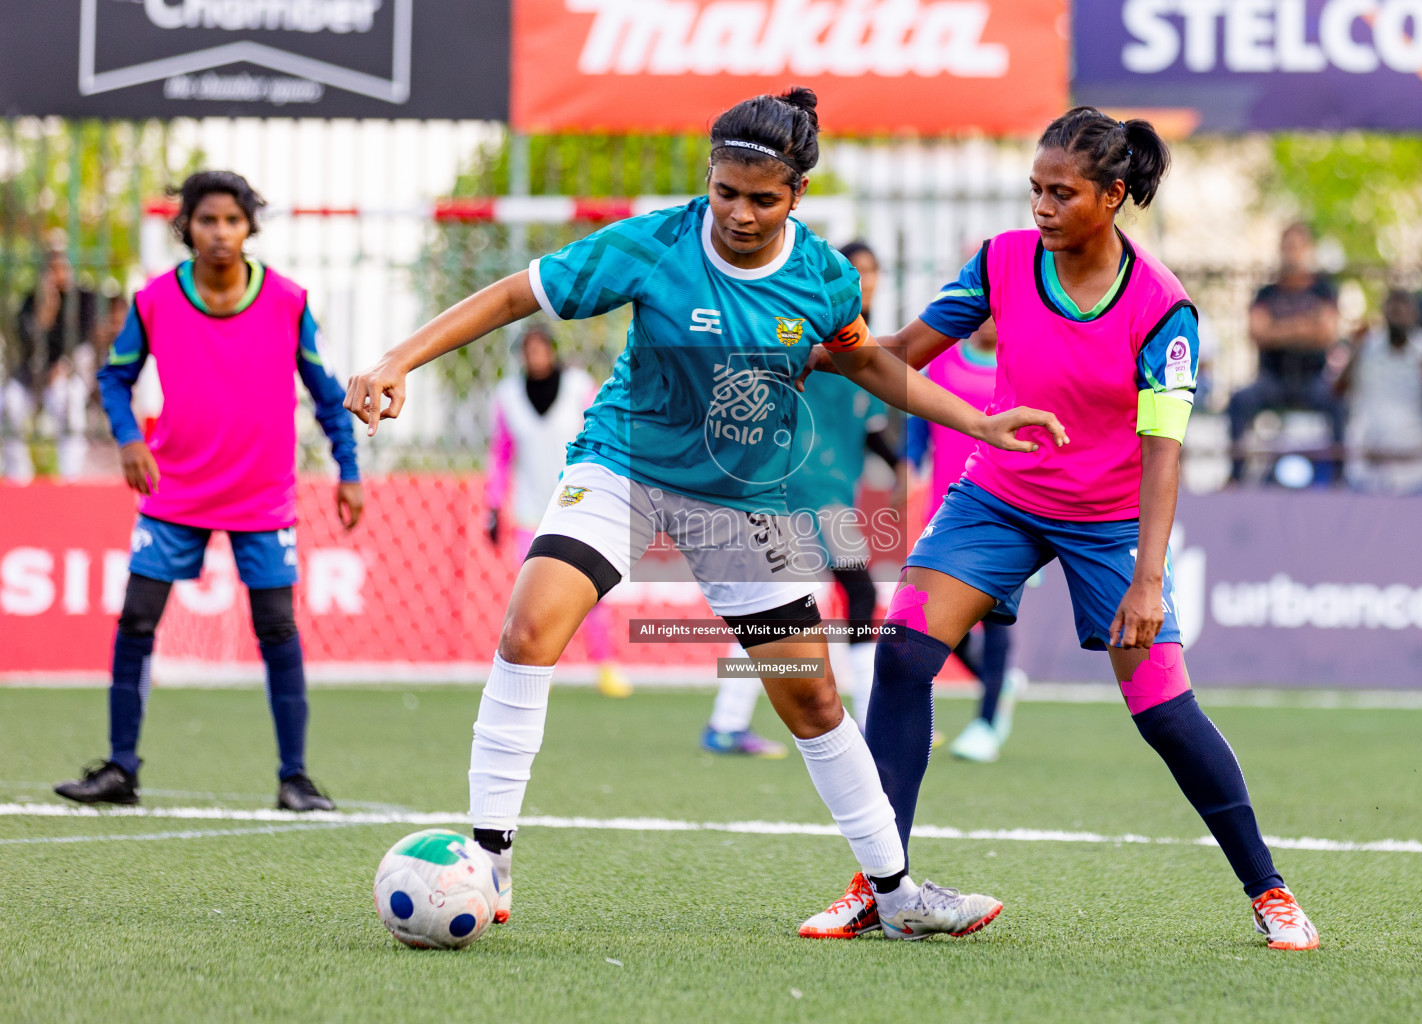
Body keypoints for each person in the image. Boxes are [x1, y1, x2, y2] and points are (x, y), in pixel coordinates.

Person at [344, 87, 1061, 939]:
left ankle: (898, 895)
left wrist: (976, 418)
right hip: (625, 466)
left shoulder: (823, 277)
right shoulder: (655, 243)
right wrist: (397, 360)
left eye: (763, 198)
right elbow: (514, 297)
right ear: (708, 180)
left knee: (815, 704)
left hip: (740, 503)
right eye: (727, 192)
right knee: (529, 630)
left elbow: (866, 363)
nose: (741, 213)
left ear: (797, 194)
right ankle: (489, 860)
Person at [798, 108, 1320, 950]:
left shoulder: (1162, 308)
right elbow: (899, 353)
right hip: (998, 498)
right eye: (1035, 188)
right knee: (901, 656)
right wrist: (821, 350)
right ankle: (878, 885)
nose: (1041, 206)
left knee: (1162, 708)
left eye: (1062, 192)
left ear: (1113, 196)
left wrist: (1148, 578)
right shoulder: (1002, 261)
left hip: (1110, 523)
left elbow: (1163, 450)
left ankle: (1270, 892)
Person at [54, 171, 363, 811]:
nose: (220, 232)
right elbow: (114, 380)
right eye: (206, 221)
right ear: (186, 227)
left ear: (250, 226)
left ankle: (295, 778)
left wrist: (349, 470)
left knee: (276, 627)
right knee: (137, 618)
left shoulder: (288, 301)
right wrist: (128, 439)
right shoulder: (155, 301)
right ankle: (120, 768)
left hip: (262, 497)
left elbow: (330, 397)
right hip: (177, 491)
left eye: (232, 220)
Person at [700, 240, 899, 756]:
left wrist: (902, 466)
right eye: (857, 270)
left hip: (830, 492)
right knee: (814, 601)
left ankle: (731, 720)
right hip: (791, 489)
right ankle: (867, 720)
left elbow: (873, 428)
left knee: (795, 604)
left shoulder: (869, 345)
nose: (866, 278)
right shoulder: (810, 328)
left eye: (873, 270)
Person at [484, 322, 632, 699]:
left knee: (590, 593)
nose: (534, 356)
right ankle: (534, 671)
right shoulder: (508, 397)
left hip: (579, 506)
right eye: (527, 350)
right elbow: (500, 456)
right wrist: (493, 503)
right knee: (531, 599)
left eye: (540, 349)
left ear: (552, 351)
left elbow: (602, 437)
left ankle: (605, 664)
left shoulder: (579, 388)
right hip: (530, 511)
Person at [903, 313, 1024, 763]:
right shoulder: (943, 365)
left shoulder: (1020, 365)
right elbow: (916, 433)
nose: (992, 320)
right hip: (949, 513)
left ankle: (988, 722)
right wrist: (907, 472)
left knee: (996, 619)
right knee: (936, 621)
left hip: (1009, 512)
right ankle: (999, 681)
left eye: (1000, 311)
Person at [1227, 223, 1343, 485]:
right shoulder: (1266, 292)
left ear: (1309, 249)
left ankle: (1340, 477)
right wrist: (1304, 327)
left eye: (1298, 246)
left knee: (1339, 404)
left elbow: (1326, 333)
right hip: (1273, 378)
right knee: (1239, 402)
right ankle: (1236, 476)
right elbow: (1258, 333)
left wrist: (1278, 329)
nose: (1292, 253)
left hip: (1312, 378)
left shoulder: (1323, 289)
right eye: (1287, 246)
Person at [1334, 289, 1422, 495]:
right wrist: (1354, 352)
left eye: (1404, 306)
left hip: (1421, 473)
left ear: (1417, 313)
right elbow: (1337, 391)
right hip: (1367, 472)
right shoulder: (1364, 347)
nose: (1398, 312)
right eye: (1393, 306)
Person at [4, 247, 96, 481]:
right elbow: (25, 342)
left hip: (65, 373)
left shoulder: (84, 299)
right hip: (31, 376)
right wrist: (46, 310)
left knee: (68, 403)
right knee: (9, 404)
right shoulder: (30, 300)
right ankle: (18, 477)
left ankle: (71, 476)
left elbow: (83, 340)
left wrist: (63, 365)